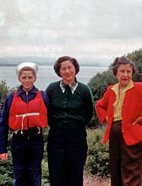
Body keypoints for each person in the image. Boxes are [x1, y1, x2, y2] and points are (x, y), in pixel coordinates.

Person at [95, 56, 142, 186]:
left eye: (128, 72)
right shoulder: (111, 90)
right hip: (114, 134)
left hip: (132, 135)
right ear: (116, 73)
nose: (125, 75)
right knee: (115, 169)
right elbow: (99, 105)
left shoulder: (139, 89)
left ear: (132, 73)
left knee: (132, 172)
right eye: (122, 71)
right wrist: (106, 117)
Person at [0, 62, 49, 186]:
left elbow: (52, 118)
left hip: (36, 140)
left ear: (35, 78)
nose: (27, 80)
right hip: (18, 140)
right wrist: (2, 148)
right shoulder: (11, 97)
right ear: (19, 78)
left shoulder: (43, 96)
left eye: (30, 77)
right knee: (19, 174)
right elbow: (3, 124)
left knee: (34, 173)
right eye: (24, 77)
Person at [45, 56, 94, 186]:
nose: (67, 71)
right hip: (56, 135)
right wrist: (57, 124)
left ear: (75, 69)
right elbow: (46, 110)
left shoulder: (84, 89)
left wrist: (76, 125)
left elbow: (89, 113)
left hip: (77, 136)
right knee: (56, 173)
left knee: (75, 173)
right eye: (63, 68)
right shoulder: (51, 89)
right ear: (59, 71)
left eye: (70, 67)